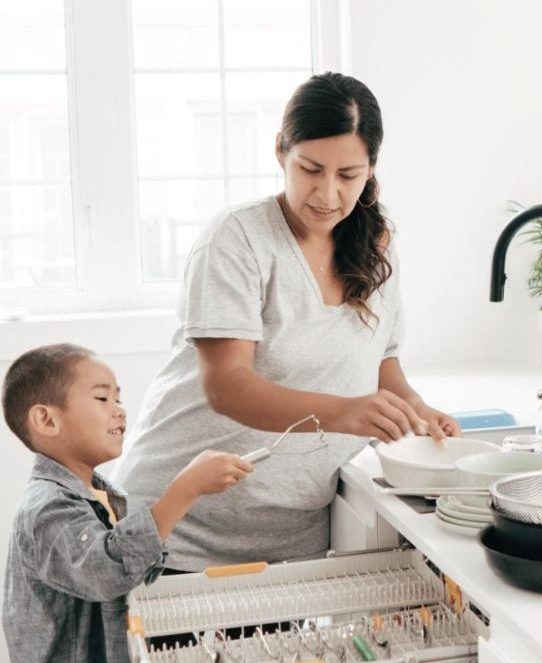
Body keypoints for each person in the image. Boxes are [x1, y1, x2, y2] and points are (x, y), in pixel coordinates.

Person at [112, 72, 460, 572]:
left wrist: (417, 411)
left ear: (371, 169)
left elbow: (379, 360)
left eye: (348, 175)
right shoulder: (237, 239)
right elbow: (227, 387)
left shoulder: (377, 243)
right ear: (281, 151)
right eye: (311, 169)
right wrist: (345, 413)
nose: (328, 194)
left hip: (291, 536)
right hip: (180, 528)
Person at [1, 344, 250, 662]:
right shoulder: (45, 510)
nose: (120, 409)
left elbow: (135, 573)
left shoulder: (102, 493)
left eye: (118, 398)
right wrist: (185, 489)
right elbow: (107, 569)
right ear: (46, 420)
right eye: (102, 398)